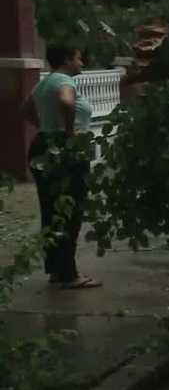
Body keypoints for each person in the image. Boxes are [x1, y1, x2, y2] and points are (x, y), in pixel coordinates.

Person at [19, 44, 102, 289]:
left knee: (51, 211)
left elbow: (25, 111)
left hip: (43, 146)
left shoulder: (44, 82)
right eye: (79, 58)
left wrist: (45, 128)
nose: (82, 63)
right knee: (70, 210)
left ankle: (57, 271)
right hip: (65, 151)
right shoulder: (65, 81)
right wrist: (68, 133)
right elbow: (66, 102)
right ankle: (68, 275)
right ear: (67, 60)